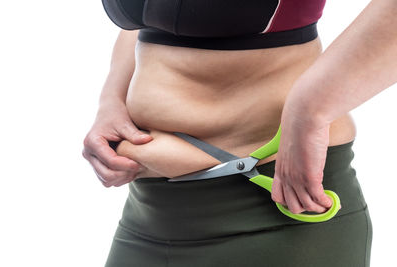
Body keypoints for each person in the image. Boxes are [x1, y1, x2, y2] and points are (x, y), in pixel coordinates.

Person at [82, 0, 397, 266]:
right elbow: (149, 20)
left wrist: (310, 109)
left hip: (280, 208)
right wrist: (111, 100)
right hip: (148, 215)